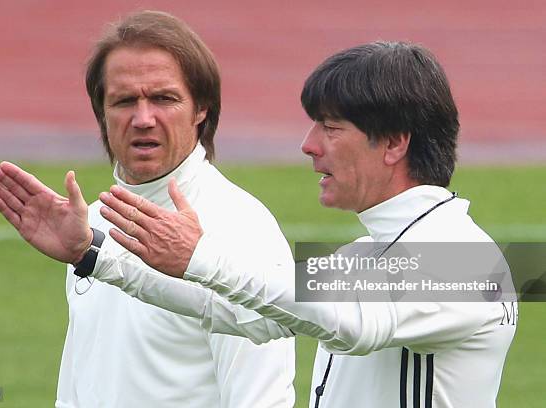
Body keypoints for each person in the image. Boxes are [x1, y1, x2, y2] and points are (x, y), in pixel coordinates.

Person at [94, 41, 517, 407]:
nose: (308, 145)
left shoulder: (469, 264)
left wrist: (201, 256)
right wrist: (93, 256)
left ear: (393, 142)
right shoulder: (365, 255)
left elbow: (354, 325)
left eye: (330, 127)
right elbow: (242, 313)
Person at [0, 10, 295, 408]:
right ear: (102, 113)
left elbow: (261, 401)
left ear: (201, 108)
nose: (143, 119)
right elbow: (81, 383)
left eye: (164, 99)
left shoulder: (240, 228)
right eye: (124, 101)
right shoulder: (90, 224)